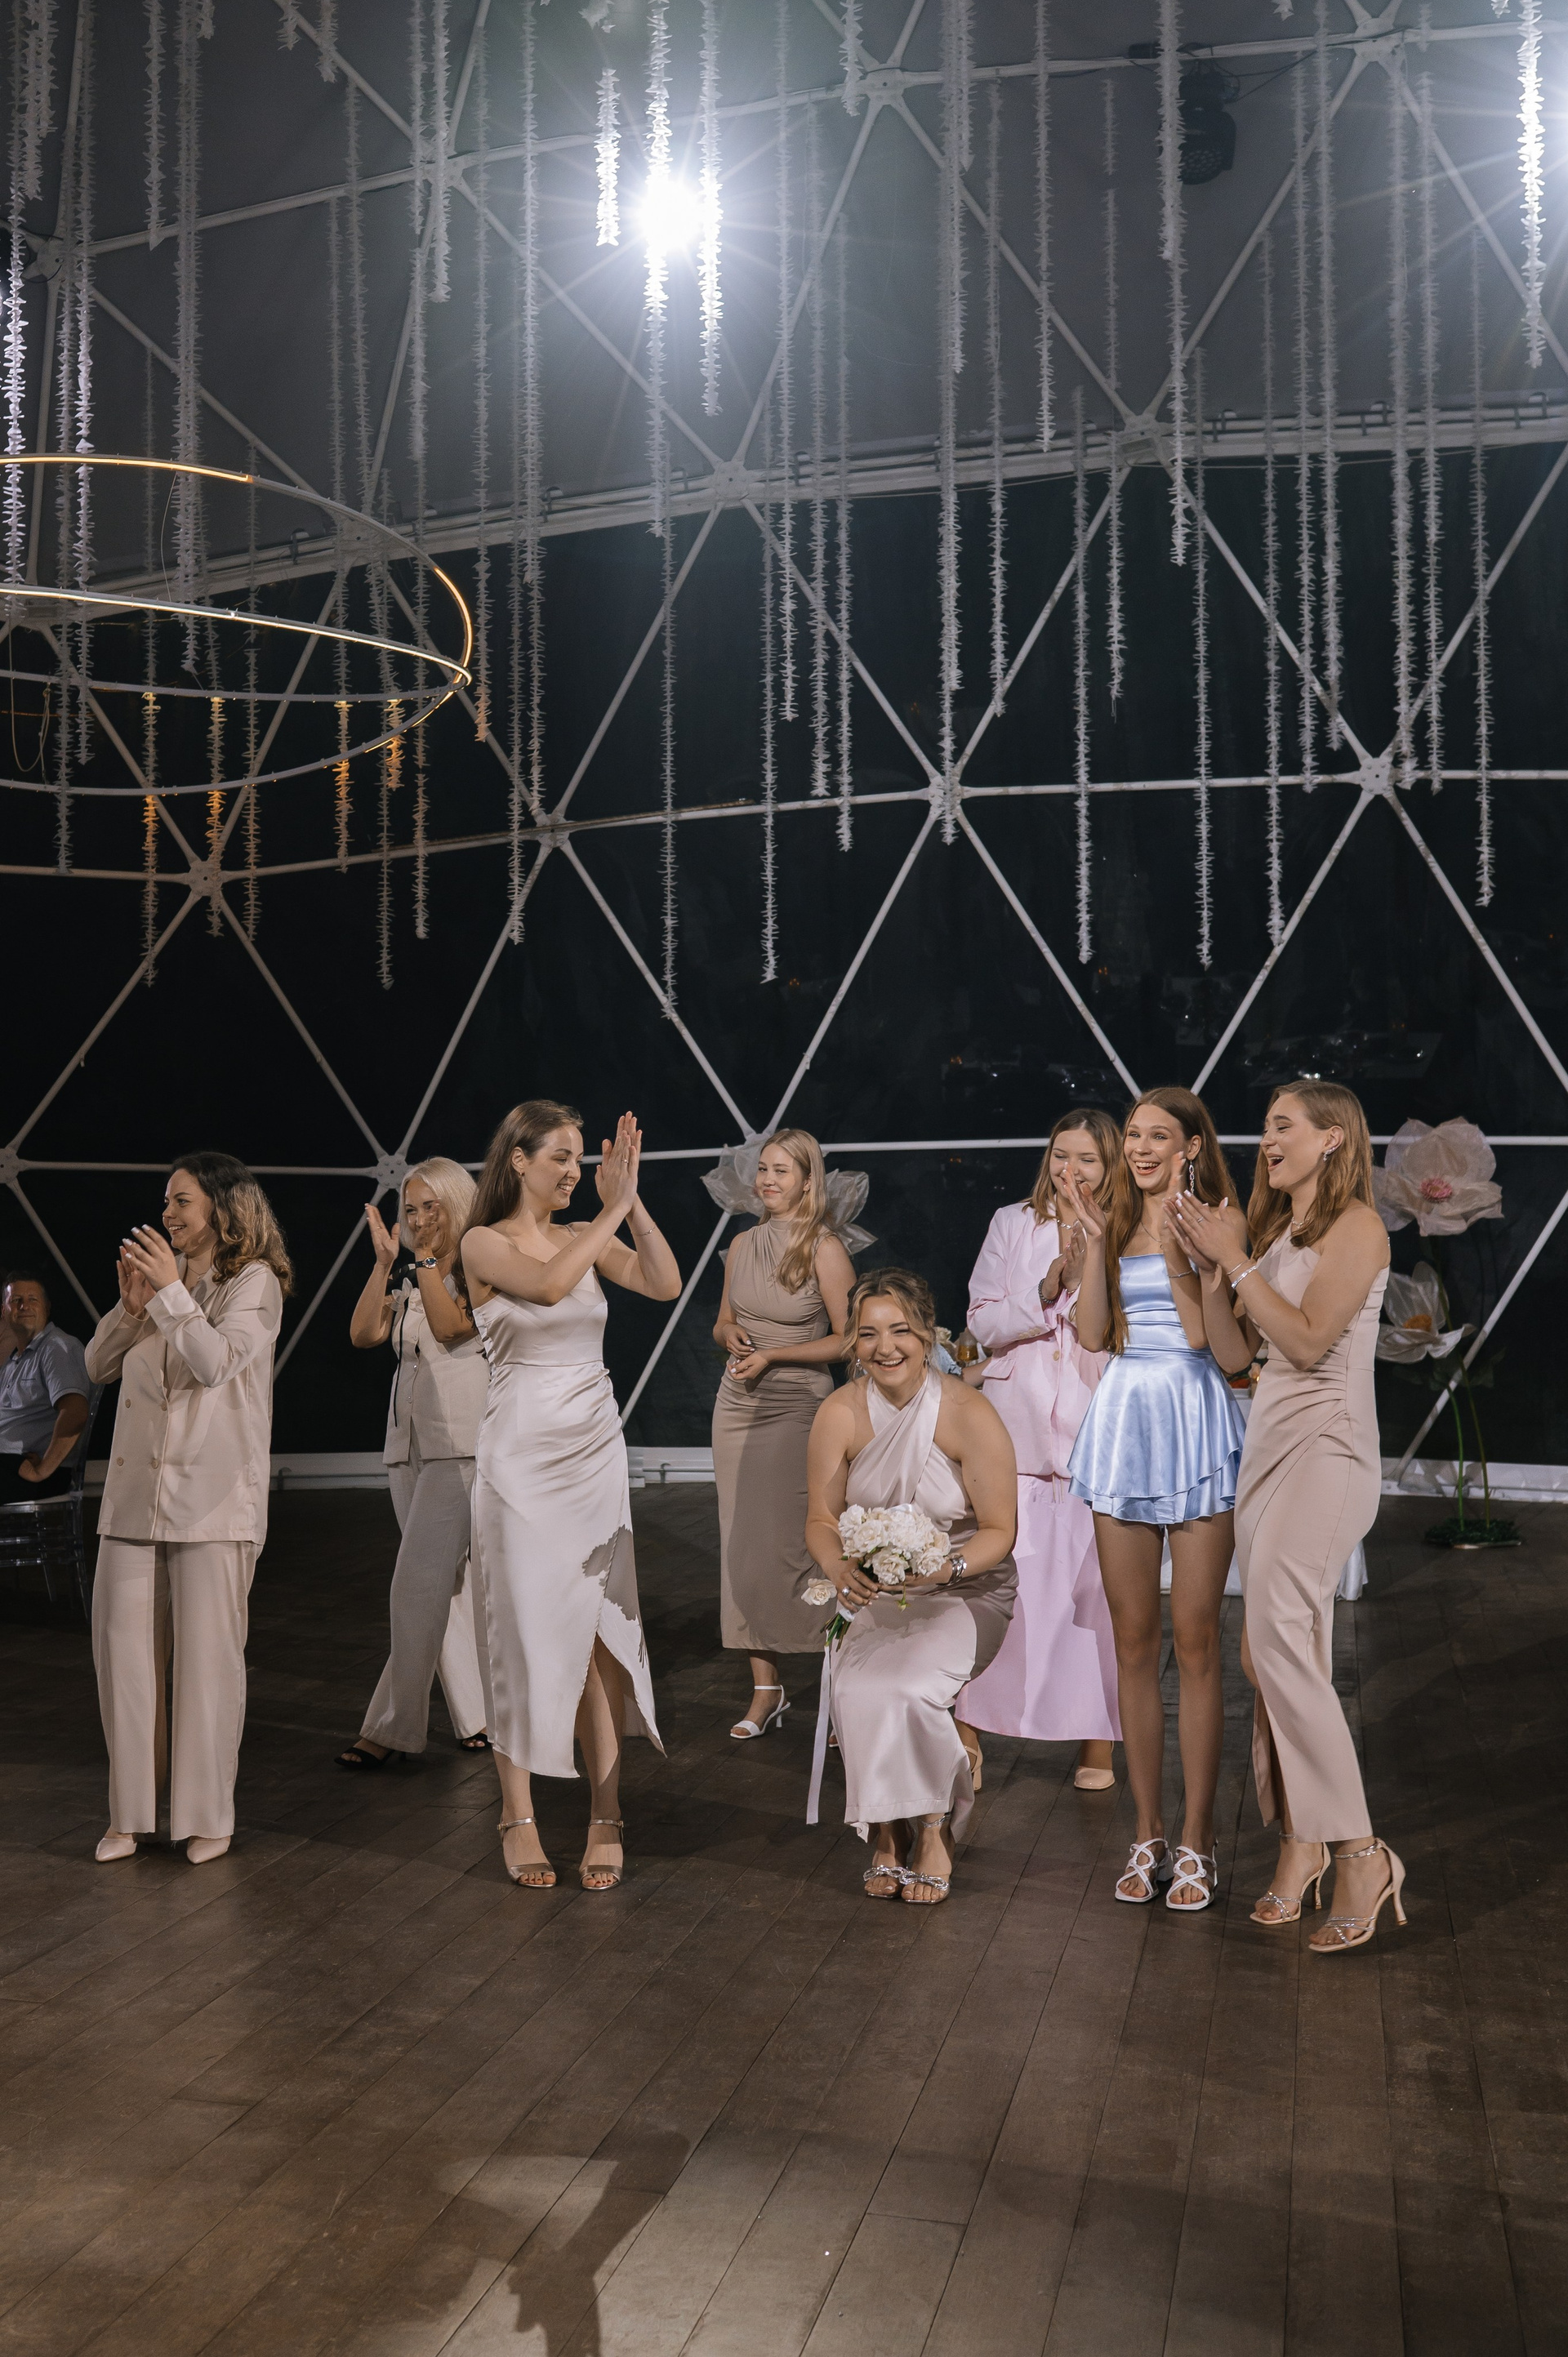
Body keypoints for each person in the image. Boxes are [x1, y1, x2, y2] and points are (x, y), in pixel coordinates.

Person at [1170, 1080, 1405, 1953]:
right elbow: (1237, 1355)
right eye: (1266, 1127)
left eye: (1282, 1126)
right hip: (1267, 1451)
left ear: (1332, 1138)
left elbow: (1306, 1342)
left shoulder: (1359, 1229)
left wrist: (1233, 1260)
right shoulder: (1275, 1236)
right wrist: (1209, 1269)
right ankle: (1302, 1840)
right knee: (1268, 1651)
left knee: (1275, 1640)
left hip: (1329, 1451)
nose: (1266, 1141)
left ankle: (1360, 1853)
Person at [461, 1102, 681, 1893]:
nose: (573, 1171)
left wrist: (631, 1201)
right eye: (560, 1156)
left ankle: (606, 1814)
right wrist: (611, 1210)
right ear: (518, 1160)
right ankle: (517, 1814)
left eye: (581, 1159)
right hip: (520, 1458)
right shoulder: (482, 1242)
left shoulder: (584, 1234)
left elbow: (663, 1282)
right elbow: (551, 1288)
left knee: (599, 1635)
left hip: (593, 1453)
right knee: (519, 1630)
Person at [1060, 1088, 1245, 1914]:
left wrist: (1182, 1248)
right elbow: (1094, 1336)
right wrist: (1099, 1243)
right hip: (1125, 1419)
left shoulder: (1218, 1221)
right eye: (1132, 1135)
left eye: (1156, 1136)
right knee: (1133, 1642)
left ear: (1191, 1147)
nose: (1138, 1148)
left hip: (1197, 1416)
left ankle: (1199, 1838)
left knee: (1196, 1641)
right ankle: (1148, 1831)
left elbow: (1210, 1341)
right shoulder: (1110, 1221)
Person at [84, 1154, 291, 1865]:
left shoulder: (253, 1283)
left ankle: (208, 1817)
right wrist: (130, 1308)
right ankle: (130, 1815)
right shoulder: (162, 1281)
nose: (167, 1214)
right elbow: (96, 1366)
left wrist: (171, 1295)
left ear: (223, 1208)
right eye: (166, 1202)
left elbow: (214, 1362)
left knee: (207, 1666)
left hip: (213, 1502)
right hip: (133, 1503)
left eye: (181, 1201)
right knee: (124, 1663)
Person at [804, 1269, 1018, 1907]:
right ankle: (885, 1830)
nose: (885, 1347)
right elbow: (820, 1519)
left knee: (907, 1687)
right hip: (874, 1591)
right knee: (857, 1688)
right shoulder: (839, 1413)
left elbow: (1000, 1531)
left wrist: (944, 1569)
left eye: (900, 1330)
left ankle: (930, 1826)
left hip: (964, 1589)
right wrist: (839, 1568)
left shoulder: (969, 1412)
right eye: (868, 1334)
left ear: (927, 1335)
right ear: (852, 1342)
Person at [958, 1109, 1123, 1793]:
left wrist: (1089, 1271)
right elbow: (981, 1321)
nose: (1070, 1171)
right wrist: (1047, 1287)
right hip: (1016, 1435)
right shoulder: (1011, 1223)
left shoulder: (1125, 1227)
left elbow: (1117, 1329)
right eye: (1060, 1155)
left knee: (1094, 1595)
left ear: (1109, 1165)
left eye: (1086, 1158)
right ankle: (968, 1733)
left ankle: (1097, 1743)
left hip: (1092, 1430)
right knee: (1005, 1588)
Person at [335, 1158, 492, 1770]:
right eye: (412, 1208)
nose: (421, 1218)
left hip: (460, 1444)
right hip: (407, 1446)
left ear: (458, 1206)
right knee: (440, 1586)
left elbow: (453, 1332)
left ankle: (390, 1727)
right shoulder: (408, 1275)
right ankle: (477, 1715)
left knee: (415, 1585)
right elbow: (363, 1335)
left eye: (433, 1206)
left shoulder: (480, 1269)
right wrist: (383, 1265)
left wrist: (424, 1261)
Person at [711, 1129, 855, 1740]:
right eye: (763, 1169)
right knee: (743, 1548)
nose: (767, 1180)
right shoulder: (743, 1244)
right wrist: (731, 1337)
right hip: (736, 1405)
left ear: (806, 1180)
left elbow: (849, 1340)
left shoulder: (824, 1248)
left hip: (798, 1406)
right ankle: (766, 1690)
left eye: (781, 1171)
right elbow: (722, 1321)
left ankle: (840, 1688)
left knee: (801, 1548)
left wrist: (775, 1355)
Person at [0, 1271, 91, 1501]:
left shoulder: (57, 1348)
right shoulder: (13, 1361)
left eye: (33, 1299)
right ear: (4, 1311)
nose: (24, 1306)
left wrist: (42, 1471)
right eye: (16, 1300)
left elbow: (75, 1412)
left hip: (28, 1472)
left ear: (47, 1308)